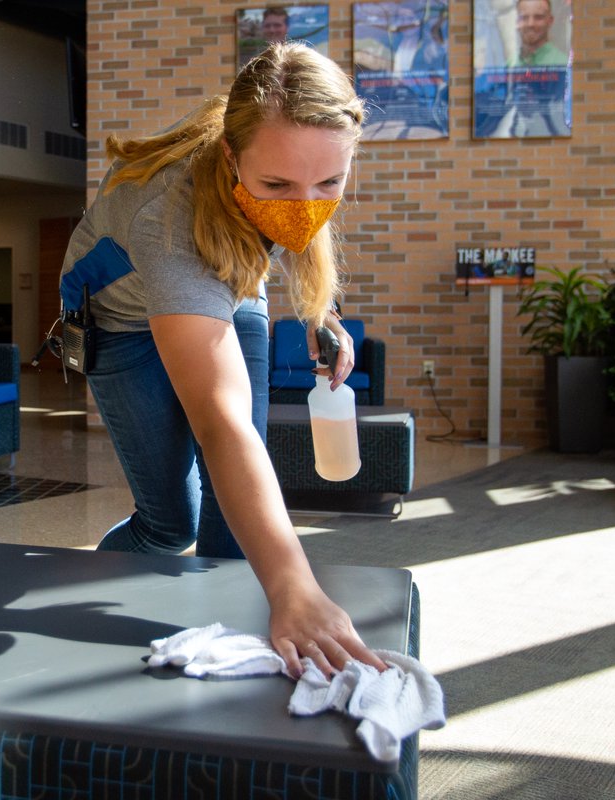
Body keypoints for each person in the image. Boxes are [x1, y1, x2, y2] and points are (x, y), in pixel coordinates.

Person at [59, 42, 384, 678]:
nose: (305, 202)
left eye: (329, 183)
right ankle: (73, 594)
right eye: (277, 185)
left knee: (237, 512)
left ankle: (221, 657)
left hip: (227, 282)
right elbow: (221, 423)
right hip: (121, 316)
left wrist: (322, 316)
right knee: (168, 523)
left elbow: (294, 230)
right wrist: (296, 586)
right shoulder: (169, 219)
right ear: (233, 160)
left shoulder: (284, 167)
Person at [510, 0, 567, 67]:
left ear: (550, 21)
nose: (530, 24)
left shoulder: (564, 66)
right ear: (517, 21)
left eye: (538, 17)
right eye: (524, 17)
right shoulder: (508, 67)